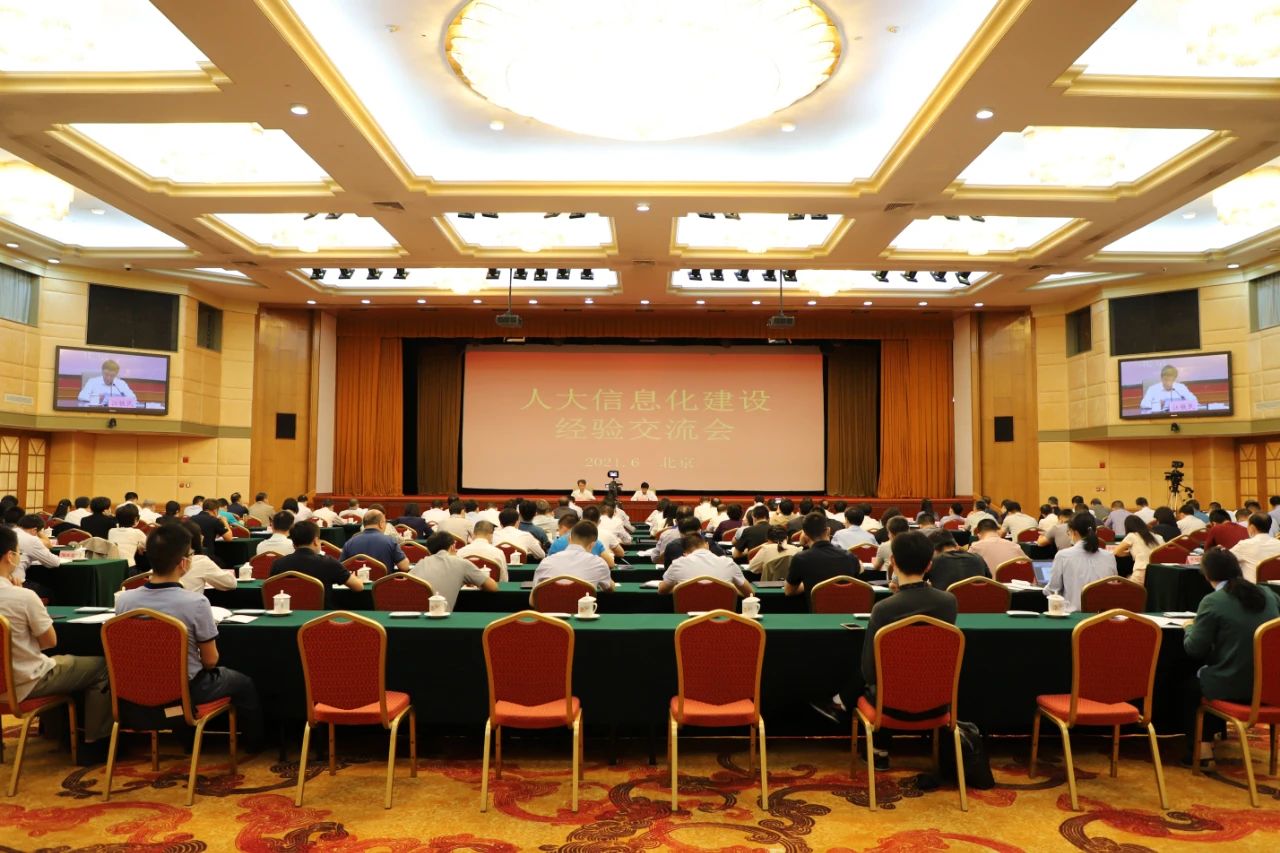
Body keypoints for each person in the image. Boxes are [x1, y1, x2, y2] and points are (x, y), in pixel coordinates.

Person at [813, 531, 957, 769]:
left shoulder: (884, 608)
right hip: (937, 701)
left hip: (890, 704)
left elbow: (869, 671)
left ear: (893, 562)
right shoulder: (949, 602)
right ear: (929, 564)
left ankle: (878, 750)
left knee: (883, 678)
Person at [115, 523, 263, 751]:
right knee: (244, 683)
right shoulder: (196, 602)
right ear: (184, 563)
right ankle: (254, 745)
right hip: (187, 689)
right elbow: (210, 660)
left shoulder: (124, 601)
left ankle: (188, 741)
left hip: (136, 687)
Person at [0, 526, 112, 763]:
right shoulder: (23, 597)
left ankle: (53, 731)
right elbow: (50, 642)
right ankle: (95, 744)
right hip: (24, 682)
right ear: (10, 556)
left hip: (5, 682)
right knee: (103, 666)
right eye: (19, 552)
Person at [1181, 547, 1280, 765]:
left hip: (1234, 684)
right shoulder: (1268, 595)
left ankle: (1202, 751)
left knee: (1191, 685)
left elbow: (1194, 649)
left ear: (1207, 575)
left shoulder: (1213, 601)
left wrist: (1189, 627)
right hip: (1271, 687)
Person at [270, 520, 363, 607]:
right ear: (315, 541)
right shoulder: (328, 563)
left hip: (287, 612)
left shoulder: (278, 564)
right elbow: (358, 587)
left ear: (293, 544)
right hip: (322, 616)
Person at [1044, 513, 1117, 612]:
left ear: (1074, 532)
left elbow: (1053, 590)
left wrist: (1044, 589)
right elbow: (1113, 586)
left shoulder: (1063, 556)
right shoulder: (1109, 556)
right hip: (1103, 616)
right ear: (1095, 531)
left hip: (1074, 616)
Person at [409, 531, 498, 610]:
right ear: (452, 547)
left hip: (413, 614)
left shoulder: (421, 563)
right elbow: (493, 587)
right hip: (440, 616)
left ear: (429, 551)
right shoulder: (461, 563)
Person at [784, 512, 862, 599]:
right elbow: (858, 577)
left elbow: (788, 591)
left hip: (817, 607)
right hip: (847, 606)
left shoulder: (800, 558)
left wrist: (808, 584)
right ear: (828, 530)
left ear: (804, 535)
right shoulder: (849, 556)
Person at [532, 520, 615, 595]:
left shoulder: (546, 561)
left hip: (549, 607)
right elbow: (609, 588)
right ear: (592, 545)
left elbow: (532, 600)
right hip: (582, 607)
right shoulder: (599, 563)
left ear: (569, 539)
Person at [659, 532, 752, 595]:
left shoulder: (678, 564)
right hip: (722, 615)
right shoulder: (728, 563)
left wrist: (680, 589)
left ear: (685, 553)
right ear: (707, 545)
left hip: (686, 617)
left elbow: (661, 590)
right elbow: (750, 593)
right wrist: (730, 589)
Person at [177, 519, 236, 592]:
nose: (202, 536)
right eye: (200, 534)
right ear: (197, 539)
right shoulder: (200, 561)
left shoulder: (165, 560)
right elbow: (231, 583)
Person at [341, 510, 410, 571]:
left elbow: (341, 567)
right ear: (381, 523)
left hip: (358, 581)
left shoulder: (350, 542)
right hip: (383, 581)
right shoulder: (390, 541)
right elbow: (404, 567)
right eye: (385, 522)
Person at [924, 529, 989, 590]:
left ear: (934, 551)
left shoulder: (933, 562)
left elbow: (920, 584)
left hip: (946, 598)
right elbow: (989, 581)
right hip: (978, 597)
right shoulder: (978, 558)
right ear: (957, 546)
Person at [1112, 514, 1163, 586]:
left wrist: (1129, 553)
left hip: (1141, 572)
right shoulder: (1158, 537)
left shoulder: (1132, 535)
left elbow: (1116, 552)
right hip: (1159, 573)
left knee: (1123, 585)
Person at [547, 512, 614, 566]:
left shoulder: (557, 543)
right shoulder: (595, 542)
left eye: (558, 529)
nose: (558, 532)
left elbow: (548, 564)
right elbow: (611, 564)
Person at [1228, 514, 1280, 583]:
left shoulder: (1245, 545)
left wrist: (1219, 552)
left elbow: (1225, 560)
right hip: (1276, 587)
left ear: (1252, 527)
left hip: (1252, 588)